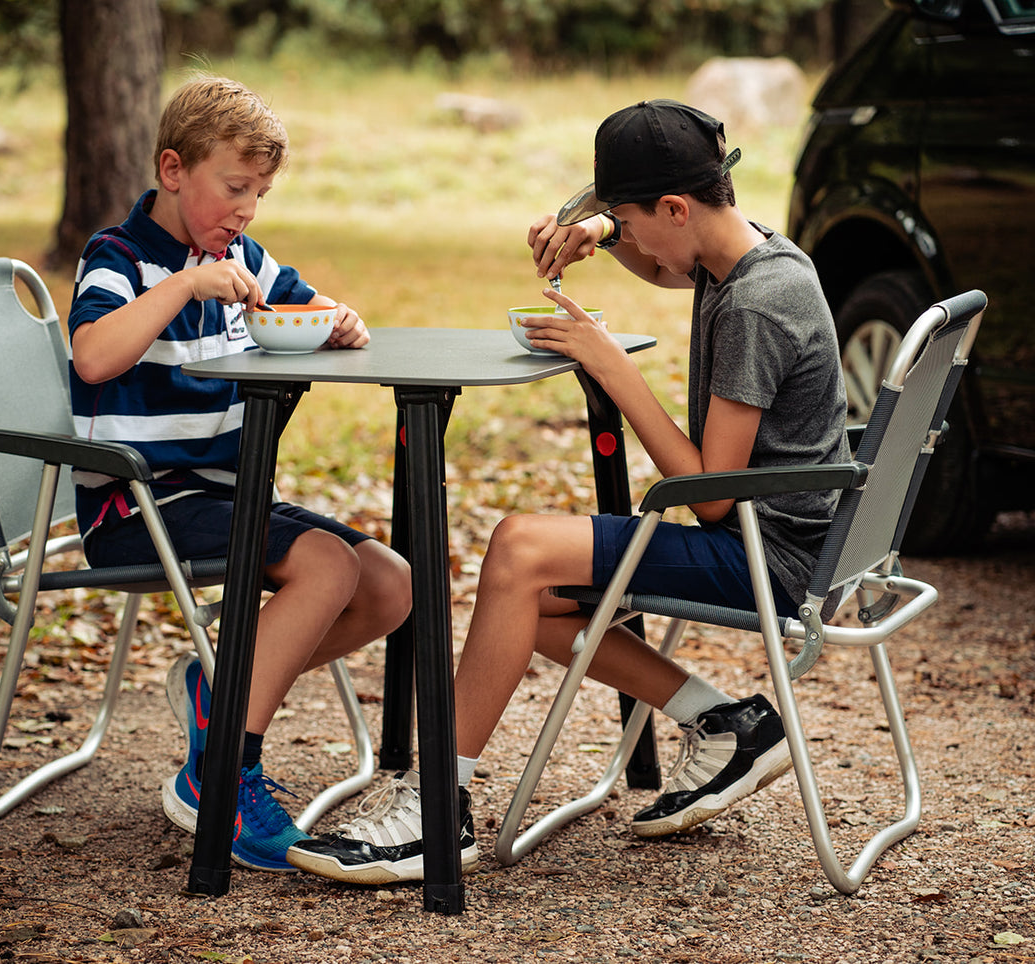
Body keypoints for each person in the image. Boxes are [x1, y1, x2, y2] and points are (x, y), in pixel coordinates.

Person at [285, 99, 849, 884]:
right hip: (799, 535)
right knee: (538, 603)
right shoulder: (756, 257)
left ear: (677, 206)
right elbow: (658, 254)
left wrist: (608, 363)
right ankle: (728, 725)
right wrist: (600, 231)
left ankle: (433, 812)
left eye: (625, 217)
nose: (630, 246)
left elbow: (711, 495)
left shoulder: (754, 304)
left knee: (519, 549)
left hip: (769, 554)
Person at [66, 74, 412, 873]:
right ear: (173, 168)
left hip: (227, 494)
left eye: (257, 193)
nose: (246, 210)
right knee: (328, 564)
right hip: (138, 509)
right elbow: (92, 357)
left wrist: (339, 318)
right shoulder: (117, 259)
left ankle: (218, 688)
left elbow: (303, 302)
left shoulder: (242, 257)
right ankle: (221, 772)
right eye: (232, 187)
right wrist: (186, 282)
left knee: (390, 581)